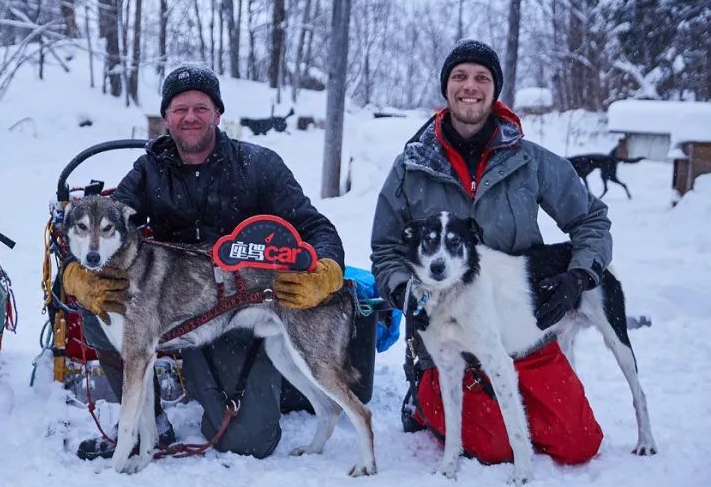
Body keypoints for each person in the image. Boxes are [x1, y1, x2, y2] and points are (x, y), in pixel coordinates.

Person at [62, 64, 347, 461]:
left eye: (201, 107)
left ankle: (264, 381)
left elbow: (315, 226)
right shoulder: (149, 171)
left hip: (242, 307)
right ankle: (150, 420)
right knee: (101, 304)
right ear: (166, 118)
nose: (190, 117)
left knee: (250, 442)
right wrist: (75, 274)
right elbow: (106, 228)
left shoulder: (258, 166)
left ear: (218, 113)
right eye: (180, 109)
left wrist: (327, 270)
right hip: (176, 308)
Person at [370, 39, 611, 465]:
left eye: (482, 77)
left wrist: (581, 276)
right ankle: (426, 400)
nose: (470, 86)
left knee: (578, 444)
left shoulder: (529, 161)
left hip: (523, 331)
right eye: (460, 76)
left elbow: (591, 219)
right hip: (446, 335)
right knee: (495, 447)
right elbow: (386, 247)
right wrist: (403, 292)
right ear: (446, 88)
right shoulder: (411, 166)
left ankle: (509, 404)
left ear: (494, 90)